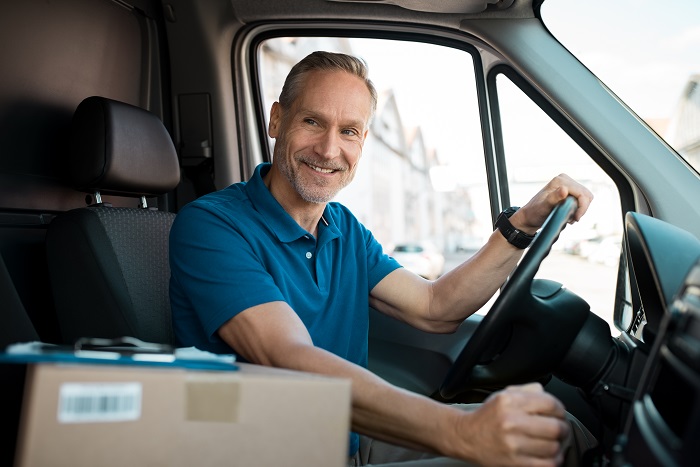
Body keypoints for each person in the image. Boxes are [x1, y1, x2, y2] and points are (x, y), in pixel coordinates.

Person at [169, 50, 596, 466]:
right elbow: (288, 360)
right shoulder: (212, 225)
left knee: (559, 436)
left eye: (349, 131)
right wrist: (463, 433)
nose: (329, 149)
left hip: (348, 443)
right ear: (277, 119)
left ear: (363, 141)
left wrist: (523, 223)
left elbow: (436, 308)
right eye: (312, 121)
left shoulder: (344, 228)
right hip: (276, 454)